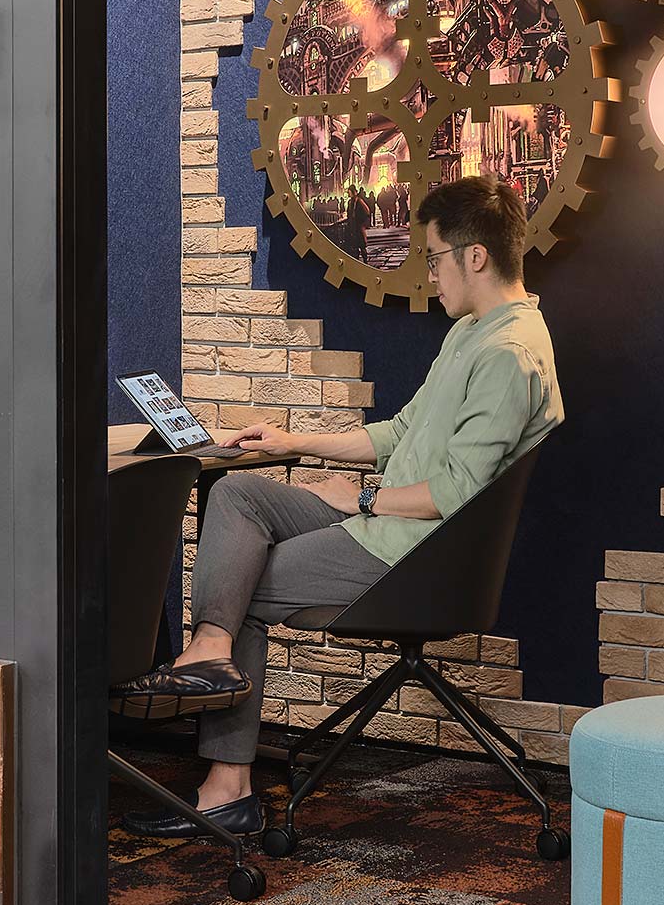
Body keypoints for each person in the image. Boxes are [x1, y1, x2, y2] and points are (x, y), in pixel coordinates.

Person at [118, 174, 563, 839]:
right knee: (240, 491)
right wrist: (296, 439)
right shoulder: (474, 332)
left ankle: (226, 786)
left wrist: (359, 495)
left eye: (434, 257)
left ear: (475, 257)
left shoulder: (506, 352)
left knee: (238, 582)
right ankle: (210, 648)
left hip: (410, 552)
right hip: (383, 521)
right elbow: (400, 433)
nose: (430, 273)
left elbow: (455, 494)